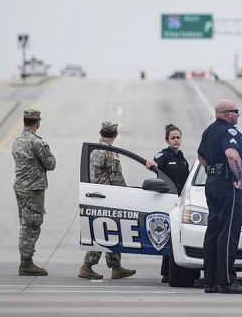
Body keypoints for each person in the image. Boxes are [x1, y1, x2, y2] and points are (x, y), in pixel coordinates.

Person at [197, 99, 242, 295]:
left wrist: (214, 171)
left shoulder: (208, 131)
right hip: (228, 185)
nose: (238, 115)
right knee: (228, 232)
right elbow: (232, 155)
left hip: (212, 183)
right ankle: (227, 280)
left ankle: (210, 281)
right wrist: (240, 178)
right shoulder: (229, 132)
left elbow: (201, 157)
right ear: (228, 114)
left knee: (213, 231)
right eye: (236, 111)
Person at [78, 121, 137, 280]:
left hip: (95, 195)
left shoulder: (93, 150)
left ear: (100, 132)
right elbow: (116, 178)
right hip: (108, 197)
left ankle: (116, 266)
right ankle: (87, 265)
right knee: (105, 231)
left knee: (111, 230)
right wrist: (128, 195)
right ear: (116, 134)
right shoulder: (110, 153)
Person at [12, 108, 56, 276]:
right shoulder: (37, 142)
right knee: (31, 225)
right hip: (33, 188)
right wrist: (47, 148)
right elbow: (50, 164)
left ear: (24, 121)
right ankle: (26, 263)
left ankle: (26, 260)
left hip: (20, 186)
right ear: (37, 123)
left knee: (25, 222)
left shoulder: (17, 140)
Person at [146, 123, 191, 283]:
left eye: (178, 137)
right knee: (169, 236)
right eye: (173, 138)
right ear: (167, 140)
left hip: (181, 202)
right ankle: (167, 272)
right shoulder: (164, 155)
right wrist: (151, 164)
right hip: (168, 201)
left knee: (177, 236)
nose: (176, 140)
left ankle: (171, 271)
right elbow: (153, 164)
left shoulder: (182, 158)